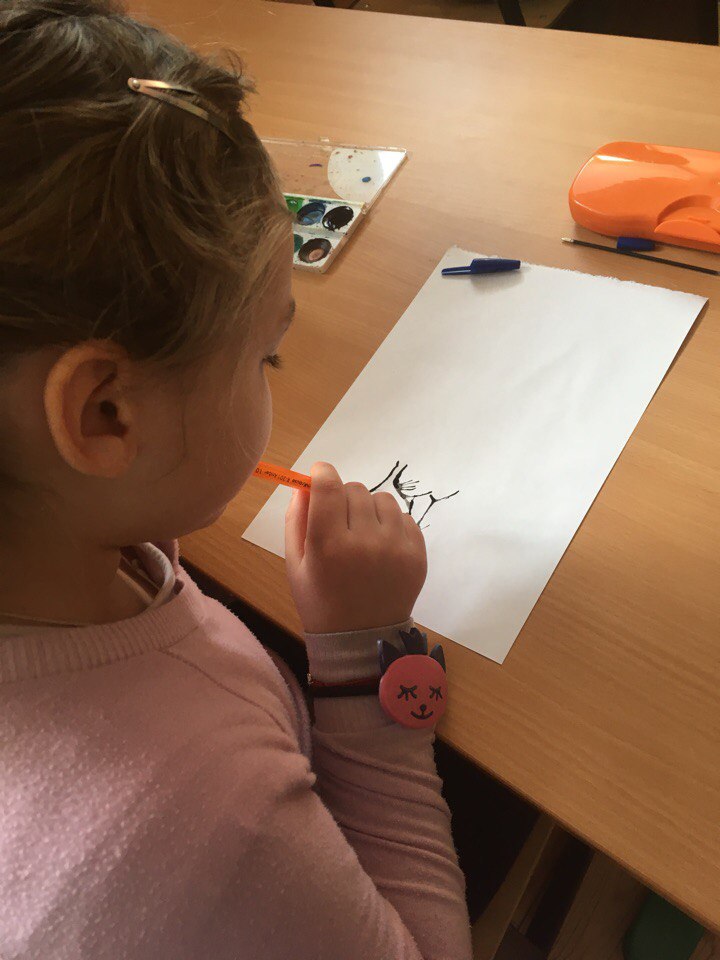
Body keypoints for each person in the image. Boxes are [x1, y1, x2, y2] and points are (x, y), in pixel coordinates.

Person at [0, 1, 473, 957]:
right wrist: (361, 657)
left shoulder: (63, 541)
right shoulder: (206, 820)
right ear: (104, 416)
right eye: (267, 356)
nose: (272, 376)